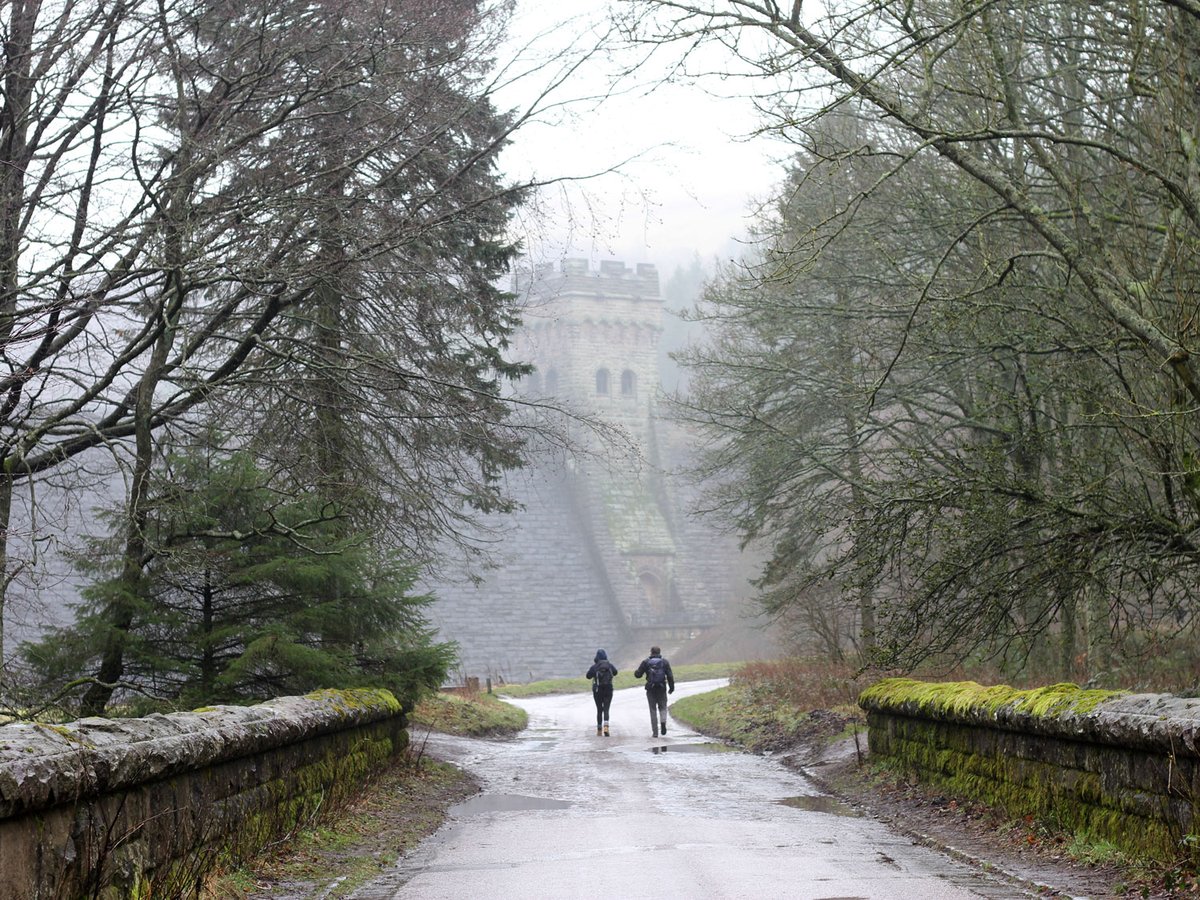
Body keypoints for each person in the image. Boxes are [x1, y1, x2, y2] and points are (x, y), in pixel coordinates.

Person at [633, 645, 675, 737]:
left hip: (650, 688)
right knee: (663, 707)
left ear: (651, 652)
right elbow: (670, 676)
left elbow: (638, 675)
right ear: (659, 652)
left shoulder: (646, 662)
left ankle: (655, 732)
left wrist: (636, 672)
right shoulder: (664, 662)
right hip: (662, 688)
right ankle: (663, 722)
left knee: (653, 710)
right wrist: (671, 687)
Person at [586, 648, 618, 736]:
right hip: (608, 689)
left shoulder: (595, 666)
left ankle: (599, 729)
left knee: (599, 709)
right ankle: (606, 727)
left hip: (597, 690)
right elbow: (615, 672)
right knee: (607, 708)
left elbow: (588, 676)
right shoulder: (609, 665)